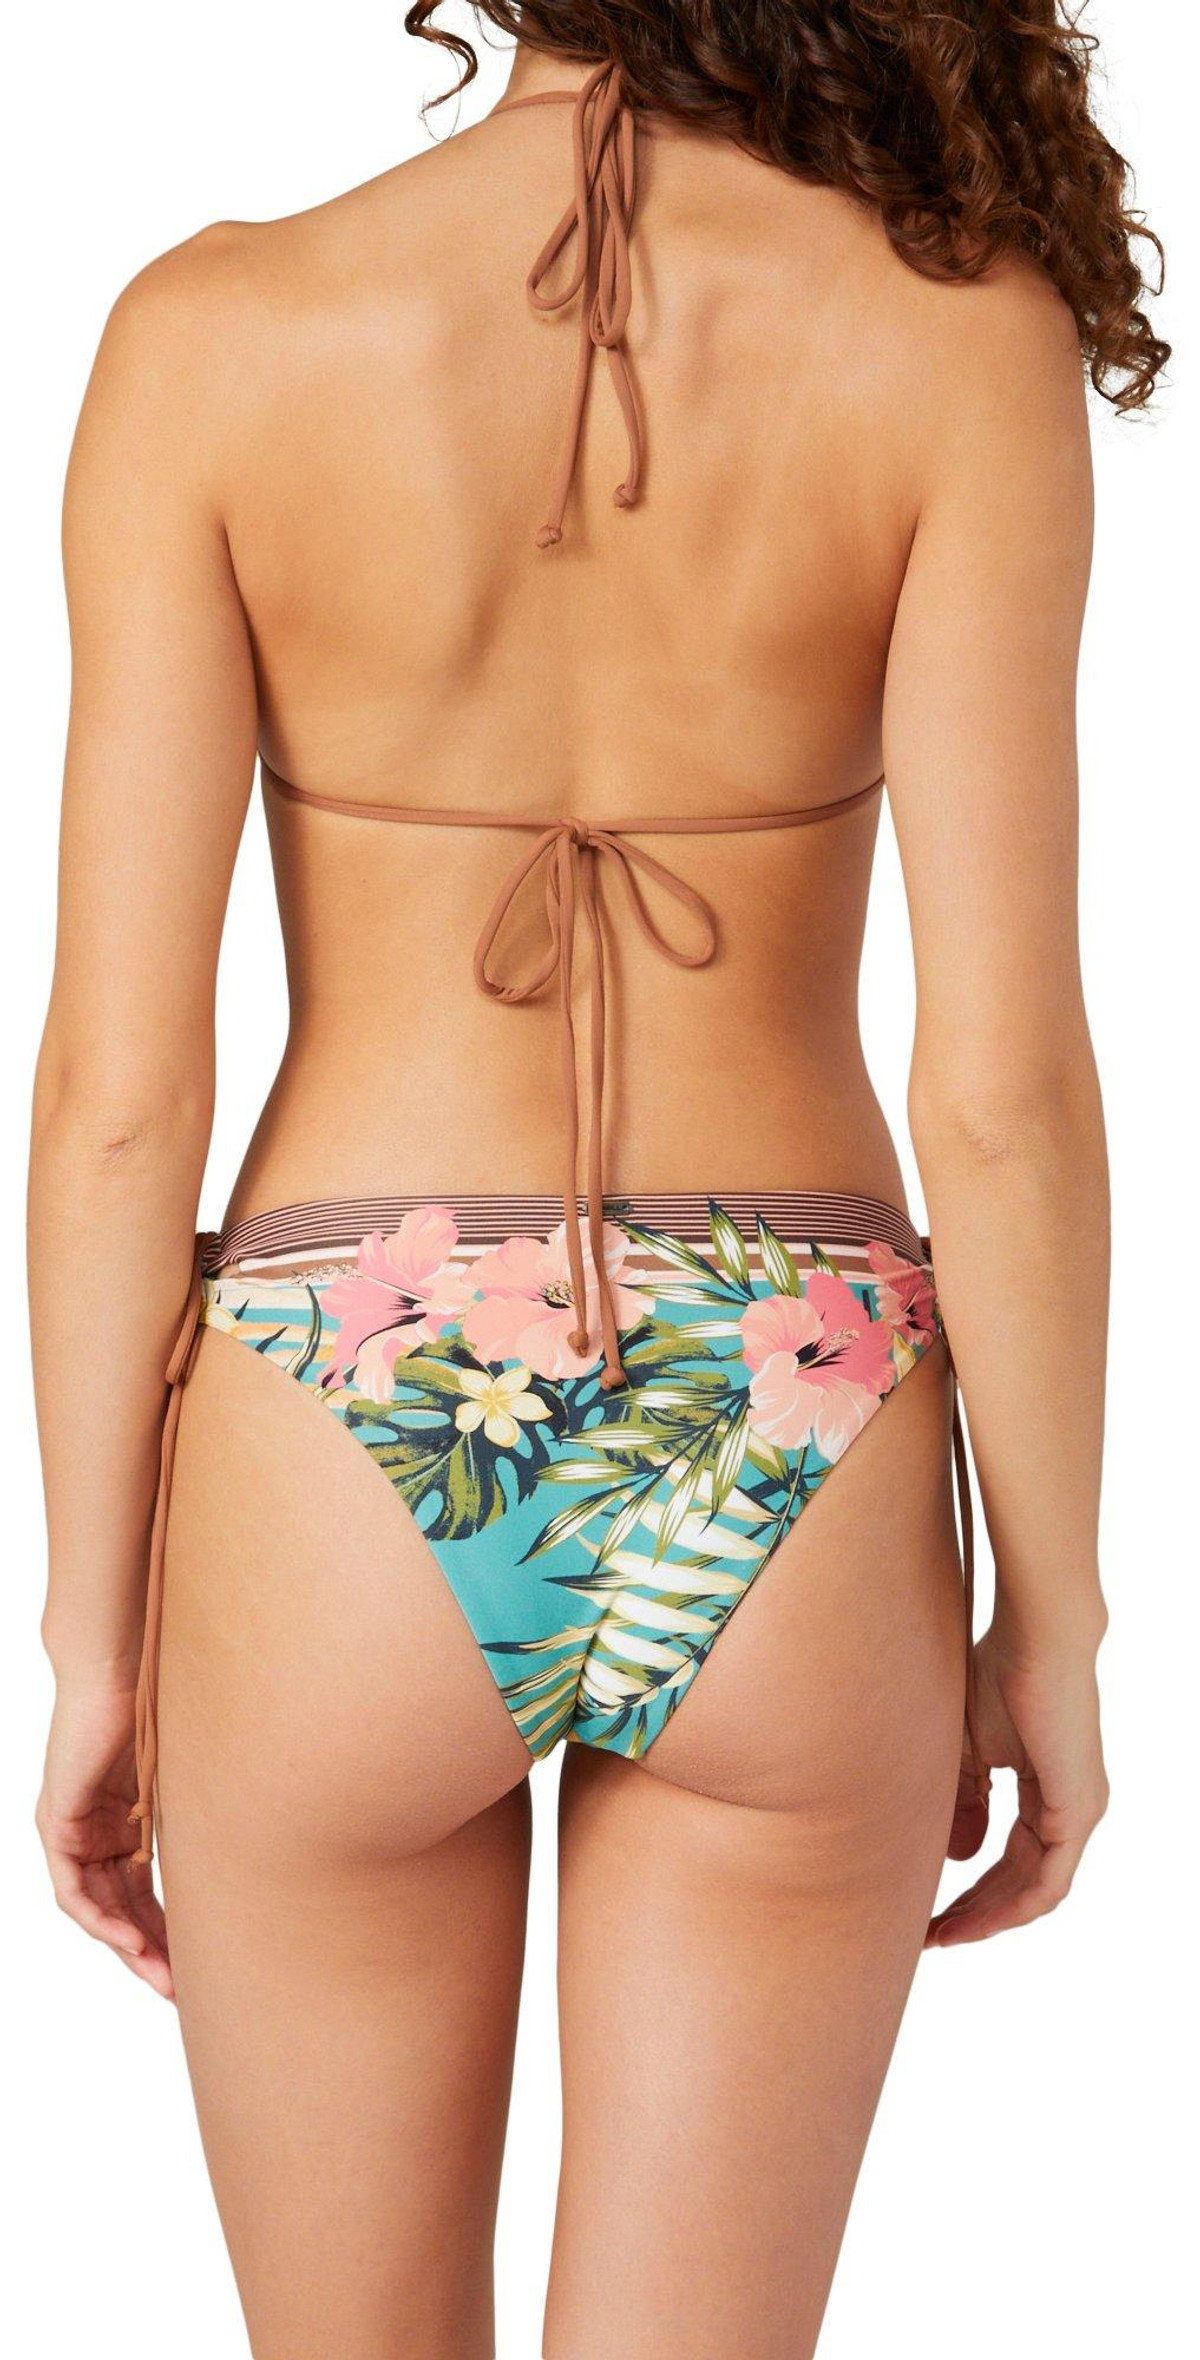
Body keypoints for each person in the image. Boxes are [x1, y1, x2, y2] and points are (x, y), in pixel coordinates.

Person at [30, 5, 1163, 2354]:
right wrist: (1052, 1623)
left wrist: (92, 1635)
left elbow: (124, 1097)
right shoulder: (958, 334)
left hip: (342, 1393)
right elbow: (1003, 1095)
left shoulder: (211, 334)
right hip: (795, 1397)